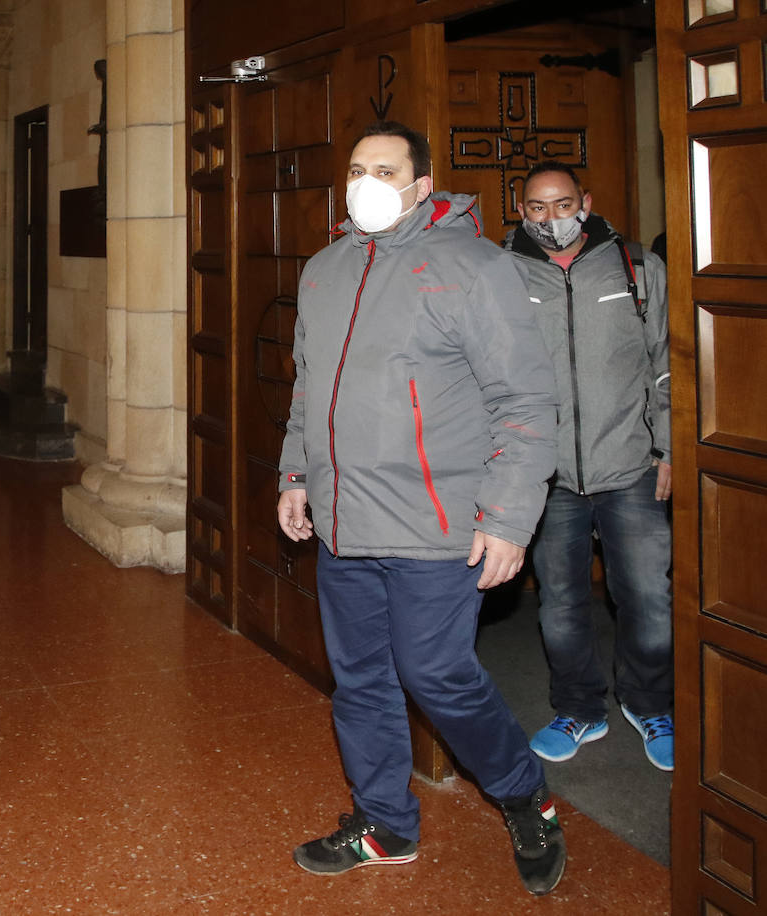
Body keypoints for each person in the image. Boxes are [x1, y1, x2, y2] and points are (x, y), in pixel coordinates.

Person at [276, 121, 565, 896]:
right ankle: (386, 825)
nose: (365, 181)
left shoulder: (475, 268)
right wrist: (296, 472)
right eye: (356, 168)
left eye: (384, 169)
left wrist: (508, 518)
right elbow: (311, 383)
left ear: (422, 185)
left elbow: (526, 401)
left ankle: (522, 795)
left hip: (437, 524)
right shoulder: (325, 269)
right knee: (361, 679)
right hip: (343, 521)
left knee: (437, 673)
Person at [503, 161, 673, 772]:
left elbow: (665, 365)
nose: (552, 218)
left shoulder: (635, 268)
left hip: (630, 464)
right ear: (521, 211)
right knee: (561, 601)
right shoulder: (503, 274)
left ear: (587, 201)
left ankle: (651, 703)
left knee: (649, 597)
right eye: (537, 208)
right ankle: (579, 708)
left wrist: (671, 447)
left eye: (563, 203)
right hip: (546, 478)